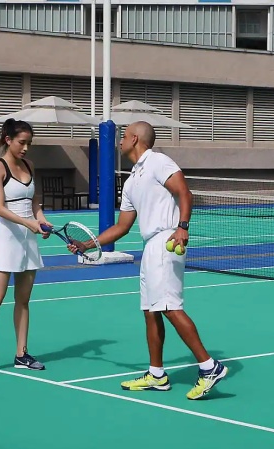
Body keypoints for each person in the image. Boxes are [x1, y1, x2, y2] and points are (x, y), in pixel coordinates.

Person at [68, 121, 228, 400]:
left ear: (135, 139)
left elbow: (184, 192)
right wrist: (88, 244)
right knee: (151, 311)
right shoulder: (132, 180)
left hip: (167, 240)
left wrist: (183, 227)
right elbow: (122, 226)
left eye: (123, 136)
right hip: (150, 246)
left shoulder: (158, 162)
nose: (119, 141)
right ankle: (156, 375)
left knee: (170, 307)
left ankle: (209, 366)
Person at [0, 118, 52, 377]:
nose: (26, 148)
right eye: (22, 142)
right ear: (8, 140)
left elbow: (34, 202)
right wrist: (28, 223)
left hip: (29, 240)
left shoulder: (30, 165)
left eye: (29, 143)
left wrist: (41, 220)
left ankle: (21, 354)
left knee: (23, 301)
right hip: (7, 239)